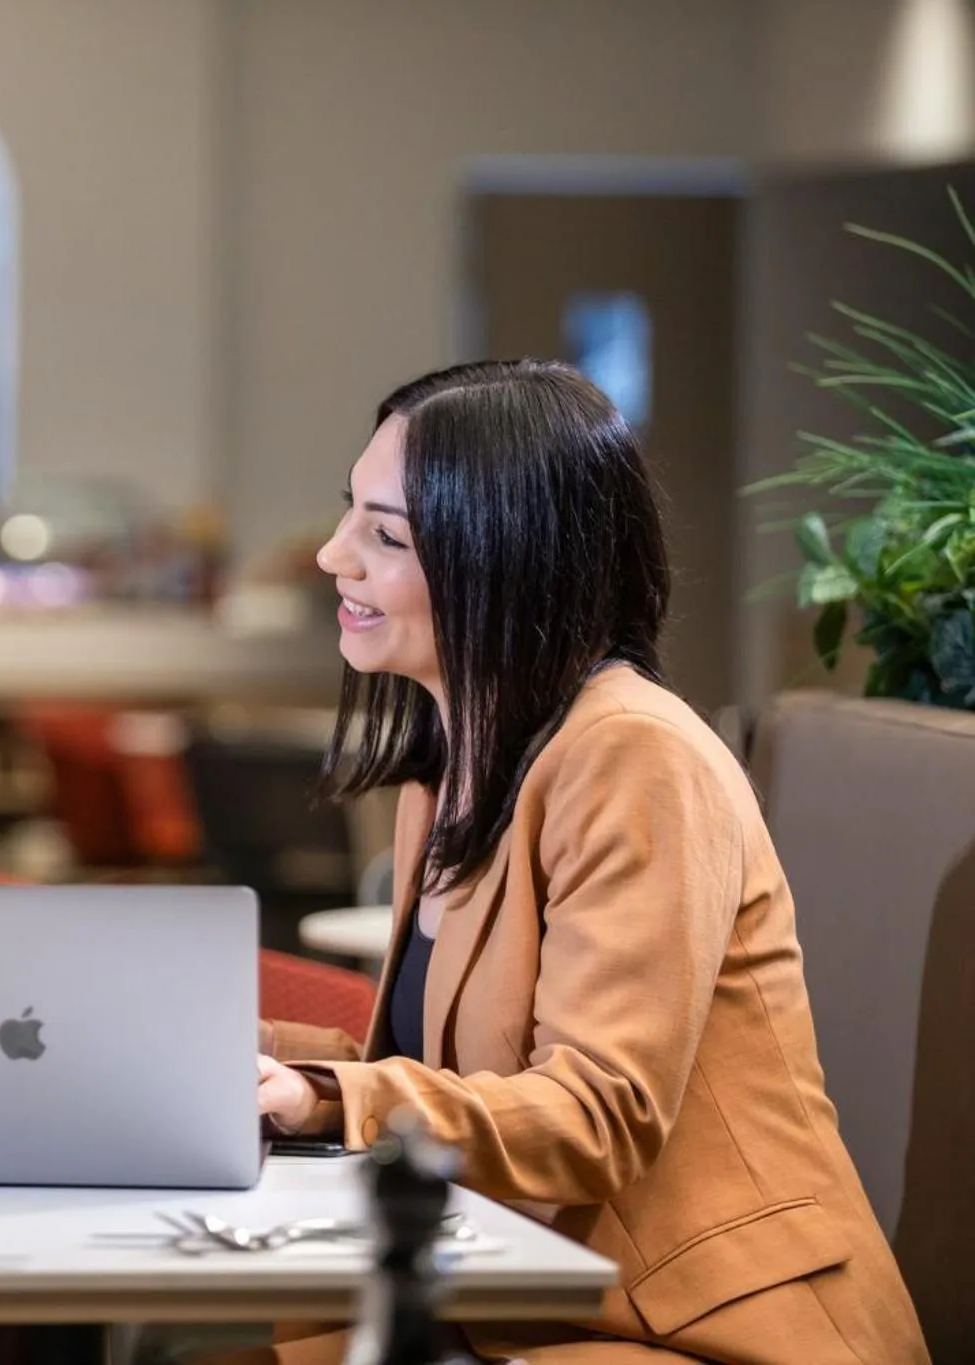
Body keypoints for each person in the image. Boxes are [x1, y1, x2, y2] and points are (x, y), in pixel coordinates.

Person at [247, 361, 927, 1363]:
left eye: (385, 534)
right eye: (348, 512)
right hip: (531, 1304)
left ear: (505, 562)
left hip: (700, 1333)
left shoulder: (634, 756)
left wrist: (327, 1097)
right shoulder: (446, 772)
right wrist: (225, 1050)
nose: (330, 555)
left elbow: (592, 1114)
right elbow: (452, 1086)